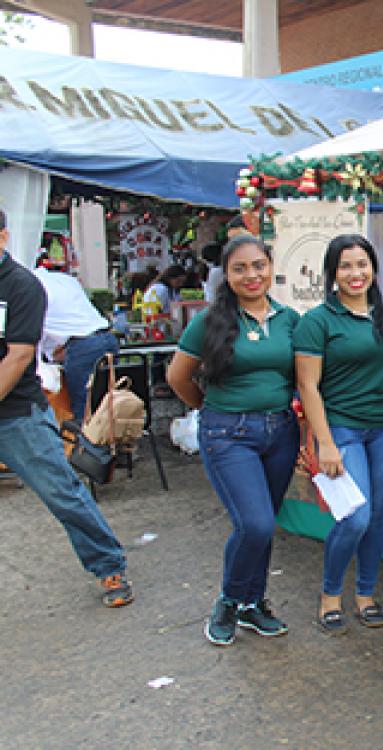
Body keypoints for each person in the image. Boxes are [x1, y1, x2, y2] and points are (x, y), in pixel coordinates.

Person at [166, 235, 300, 645]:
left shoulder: (289, 319)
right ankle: (228, 600)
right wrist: (211, 410)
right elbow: (178, 377)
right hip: (228, 434)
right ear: (227, 274)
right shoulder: (209, 321)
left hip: (280, 431)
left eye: (258, 265)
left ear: (270, 266)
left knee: (265, 523)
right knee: (254, 524)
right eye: (240, 268)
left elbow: (301, 377)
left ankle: (252, 604)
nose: (251, 275)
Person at [0, 207, 133, 608]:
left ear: (3, 237)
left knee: (61, 491)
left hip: (17, 414)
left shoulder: (21, 286)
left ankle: (108, 564)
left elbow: (20, 355)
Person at [295, 234, 383, 635]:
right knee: (354, 516)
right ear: (332, 273)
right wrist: (326, 443)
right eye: (346, 266)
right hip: (342, 428)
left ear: (374, 268)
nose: (355, 273)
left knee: (377, 518)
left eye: (362, 264)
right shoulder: (317, 321)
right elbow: (308, 386)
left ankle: (366, 595)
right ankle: (331, 595)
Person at [33, 255, 120, 420]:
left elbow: (35, 339)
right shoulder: (63, 280)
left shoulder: (31, 287)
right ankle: (108, 442)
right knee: (106, 404)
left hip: (83, 345)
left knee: (83, 409)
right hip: (107, 337)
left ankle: (86, 444)